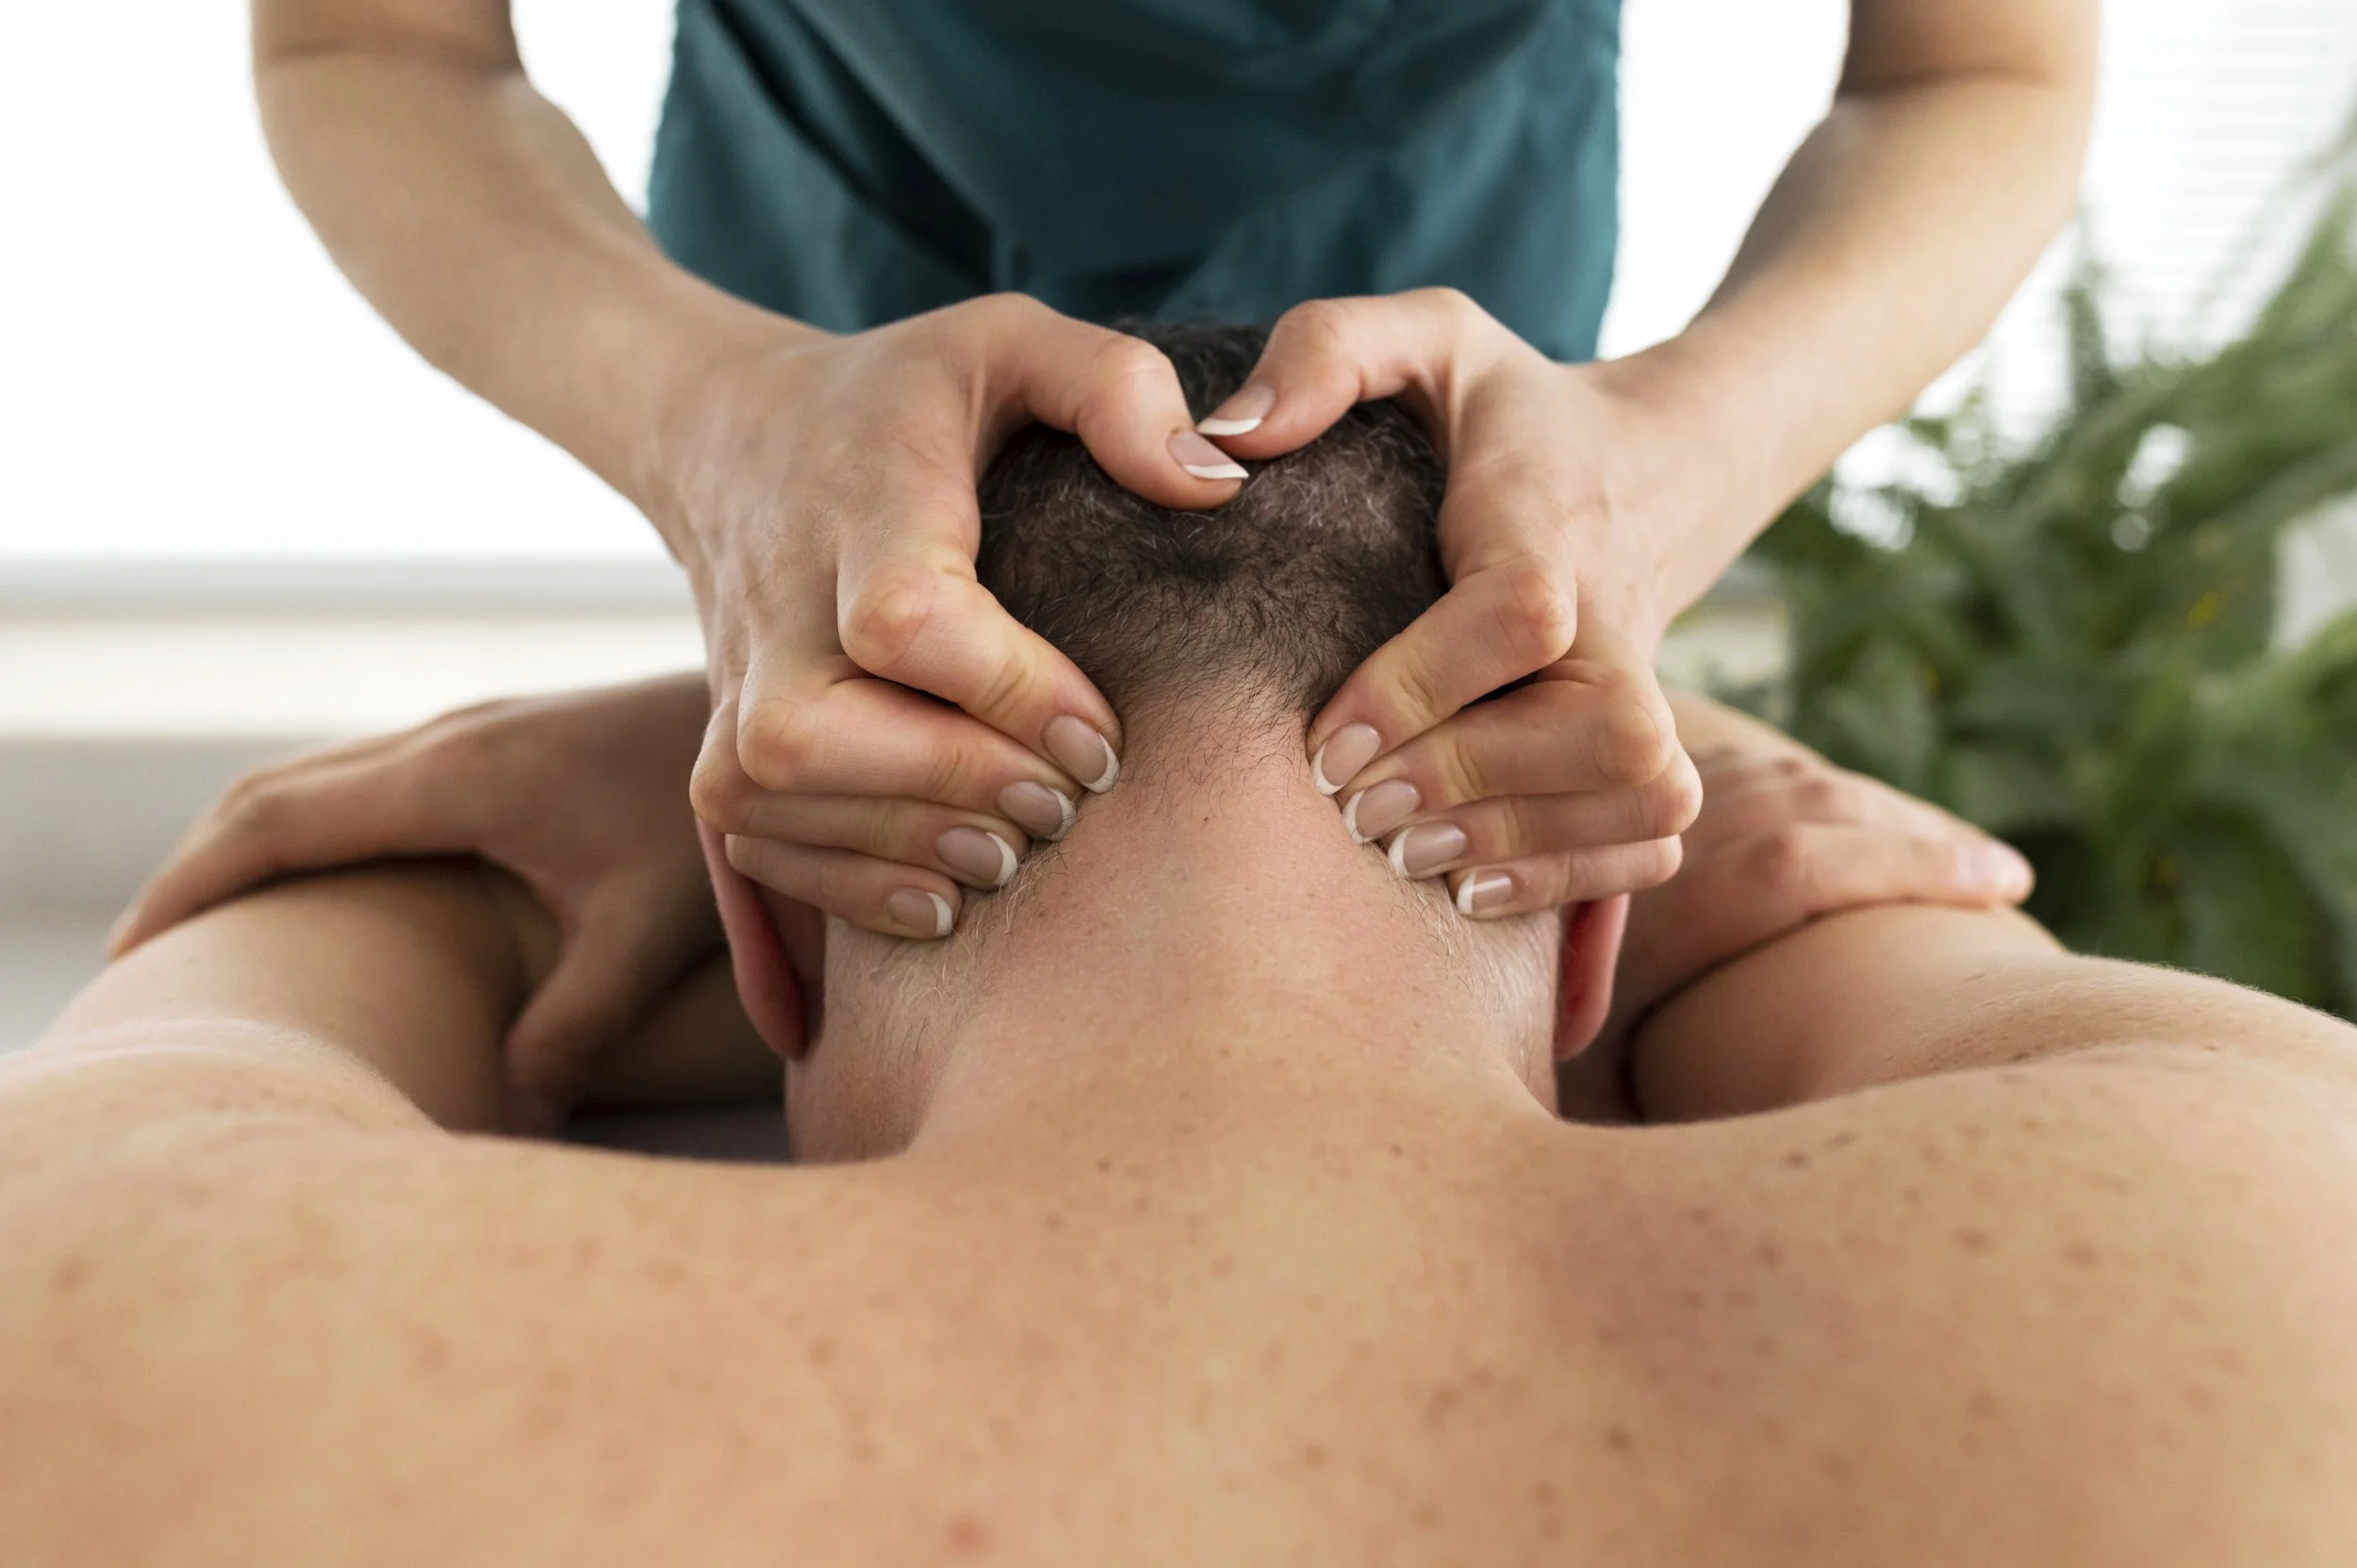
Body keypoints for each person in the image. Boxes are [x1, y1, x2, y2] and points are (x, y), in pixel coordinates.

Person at [16, 330, 2355, 1560]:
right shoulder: (2274, 1215)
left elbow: (322, 899)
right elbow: (1859, 903)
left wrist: (676, 746)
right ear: (1589, 951)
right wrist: (1639, 724)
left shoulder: (138, 1307)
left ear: (763, 937)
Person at [238, 0, 2100, 1098]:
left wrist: (1659, 474)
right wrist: (718, 441)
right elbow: (377, 38)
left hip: (1461, 445)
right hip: (825, 366)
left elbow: (1967, 67)